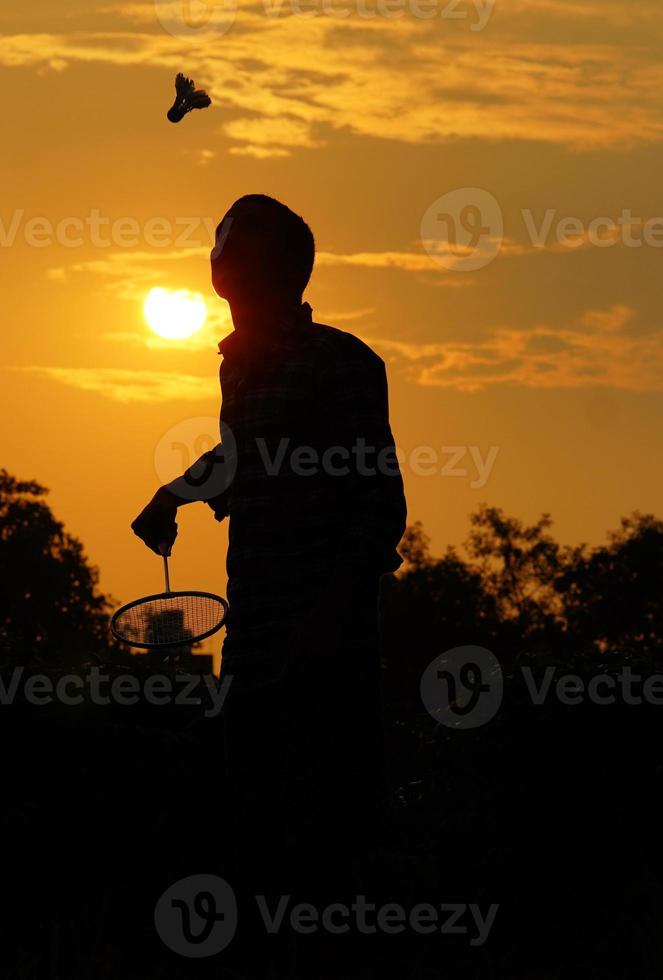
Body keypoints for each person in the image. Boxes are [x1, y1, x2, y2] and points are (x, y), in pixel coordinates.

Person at [131, 194, 407, 880]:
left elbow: (381, 508)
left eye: (239, 236)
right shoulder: (238, 365)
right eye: (221, 233)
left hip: (326, 646)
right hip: (255, 634)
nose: (221, 245)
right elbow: (239, 453)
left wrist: (328, 621)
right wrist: (173, 494)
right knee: (254, 831)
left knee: (334, 838)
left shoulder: (341, 363)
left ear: (283, 267)